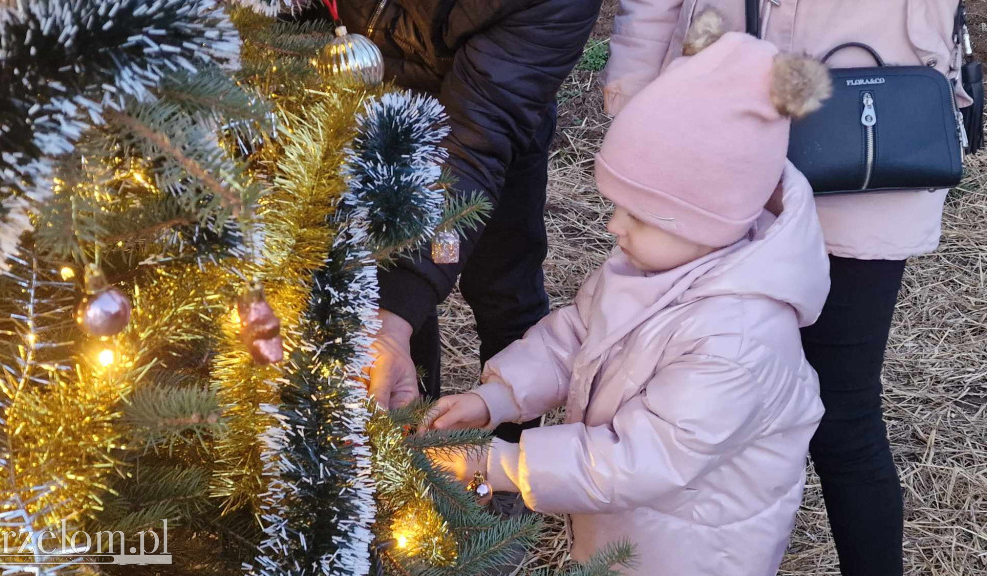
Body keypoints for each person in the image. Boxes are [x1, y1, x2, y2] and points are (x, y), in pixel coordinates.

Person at [426, 14, 833, 574]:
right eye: (616, 205)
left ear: (706, 220)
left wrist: (497, 464)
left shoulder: (738, 338)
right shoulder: (653, 263)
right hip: (627, 536)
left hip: (695, 554)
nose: (615, 226)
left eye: (638, 215)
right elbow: (572, 338)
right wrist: (494, 400)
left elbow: (639, 461)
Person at [601, 2, 971, 574]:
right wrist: (634, 101)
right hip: (706, 145)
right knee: (687, 386)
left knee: (843, 413)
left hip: (867, 144)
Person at [332, 0, 602, 442]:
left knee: (503, 287)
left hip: (488, 137)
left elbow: (477, 139)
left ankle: (507, 455)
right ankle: (403, 440)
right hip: (356, 108)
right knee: (388, 292)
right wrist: (396, 321)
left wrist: (398, 310)